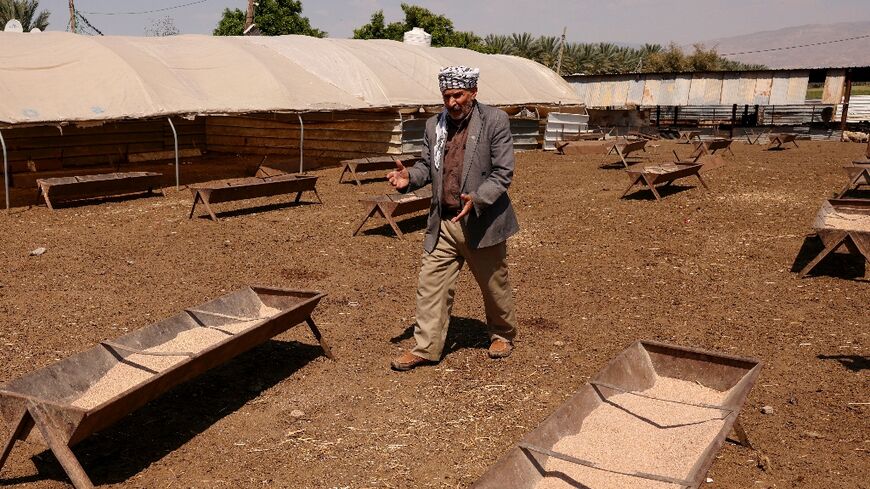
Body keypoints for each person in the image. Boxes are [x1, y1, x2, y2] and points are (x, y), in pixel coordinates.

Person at [387, 65, 519, 371]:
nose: (451, 102)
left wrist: (478, 198)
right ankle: (426, 347)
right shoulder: (435, 126)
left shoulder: (494, 121)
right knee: (430, 285)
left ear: (473, 92)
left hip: (481, 221)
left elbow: (503, 173)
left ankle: (501, 334)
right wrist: (410, 177)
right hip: (444, 222)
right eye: (446, 96)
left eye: (457, 95)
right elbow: (425, 167)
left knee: (493, 285)